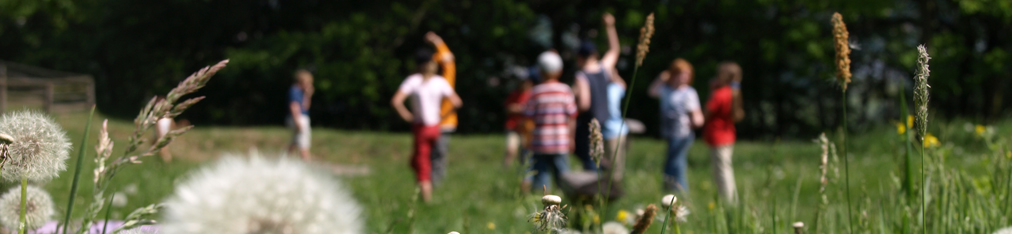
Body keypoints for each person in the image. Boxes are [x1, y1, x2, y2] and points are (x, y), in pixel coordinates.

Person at [391, 48, 463, 203]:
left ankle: (426, 201)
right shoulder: (440, 81)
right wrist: (442, 117)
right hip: (435, 127)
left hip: (421, 128)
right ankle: (428, 186)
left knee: (422, 163)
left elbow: (396, 101)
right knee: (423, 160)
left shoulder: (413, 80)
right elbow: (457, 102)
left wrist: (408, 116)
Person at [521, 51, 577, 193]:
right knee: (564, 177)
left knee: (541, 178)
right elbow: (572, 116)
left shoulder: (535, 92)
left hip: (540, 142)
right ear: (560, 71)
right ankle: (563, 203)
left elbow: (528, 117)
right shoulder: (565, 90)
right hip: (560, 141)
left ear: (539, 71)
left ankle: (543, 206)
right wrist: (571, 138)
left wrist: (527, 139)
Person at [573, 12, 620, 172]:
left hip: (588, 124)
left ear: (579, 57)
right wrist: (610, 26)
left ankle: (593, 188)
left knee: (589, 157)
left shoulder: (581, 76)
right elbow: (614, 50)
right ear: (595, 55)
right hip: (605, 121)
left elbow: (584, 103)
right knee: (601, 155)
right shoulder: (603, 69)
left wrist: (573, 113)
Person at [649, 58, 704, 193]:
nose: (684, 77)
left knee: (676, 164)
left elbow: (697, 115)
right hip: (669, 132)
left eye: (687, 74)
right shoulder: (666, 90)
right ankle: (670, 190)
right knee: (671, 163)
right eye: (681, 74)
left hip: (683, 134)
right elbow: (651, 91)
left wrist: (697, 121)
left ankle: (679, 192)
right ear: (673, 74)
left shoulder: (689, 92)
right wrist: (662, 77)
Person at [704, 61, 745, 203]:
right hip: (728, 136)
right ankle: (729, 200)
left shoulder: (719, 94)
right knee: (724, 169)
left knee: (722, 171)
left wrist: (711, 91)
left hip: (717, 137)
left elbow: (706, 113)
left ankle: (729, 201)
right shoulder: (732, 93)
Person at [426, 32, 457, 187]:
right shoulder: (428, 81)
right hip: (430, 122)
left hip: (444, 123)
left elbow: (448, 59)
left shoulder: (446, 80)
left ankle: (437, 184)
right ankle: (430, 183)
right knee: (430, 155)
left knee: (438, 154)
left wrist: (438, 41)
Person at [603, 69, 630, 181]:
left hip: (614, 130)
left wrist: (615, 75)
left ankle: (614, 192)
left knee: (614, 166)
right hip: (603, 130)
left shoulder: (614, 87)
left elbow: (623, 86)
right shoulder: (601, 87)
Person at [504, 71, 535, 167]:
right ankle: (505, 170)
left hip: (527, 128)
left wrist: (521, 109)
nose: (523, 84)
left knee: (525, 153)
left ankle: (523, 174)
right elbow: (507, 108)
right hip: (513, 126)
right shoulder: (514, 94)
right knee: (510, 149)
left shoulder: (533, 94)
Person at [286, 69, 314, 161]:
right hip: (299, 118)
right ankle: (307, 163)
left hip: (300, 118)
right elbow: (294, 106)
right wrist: (297, 121)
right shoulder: (295, 90)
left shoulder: (302, 92)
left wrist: (308, 95)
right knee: (304, 143)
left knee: (295, 141)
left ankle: (284, 160)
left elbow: (305, 107)